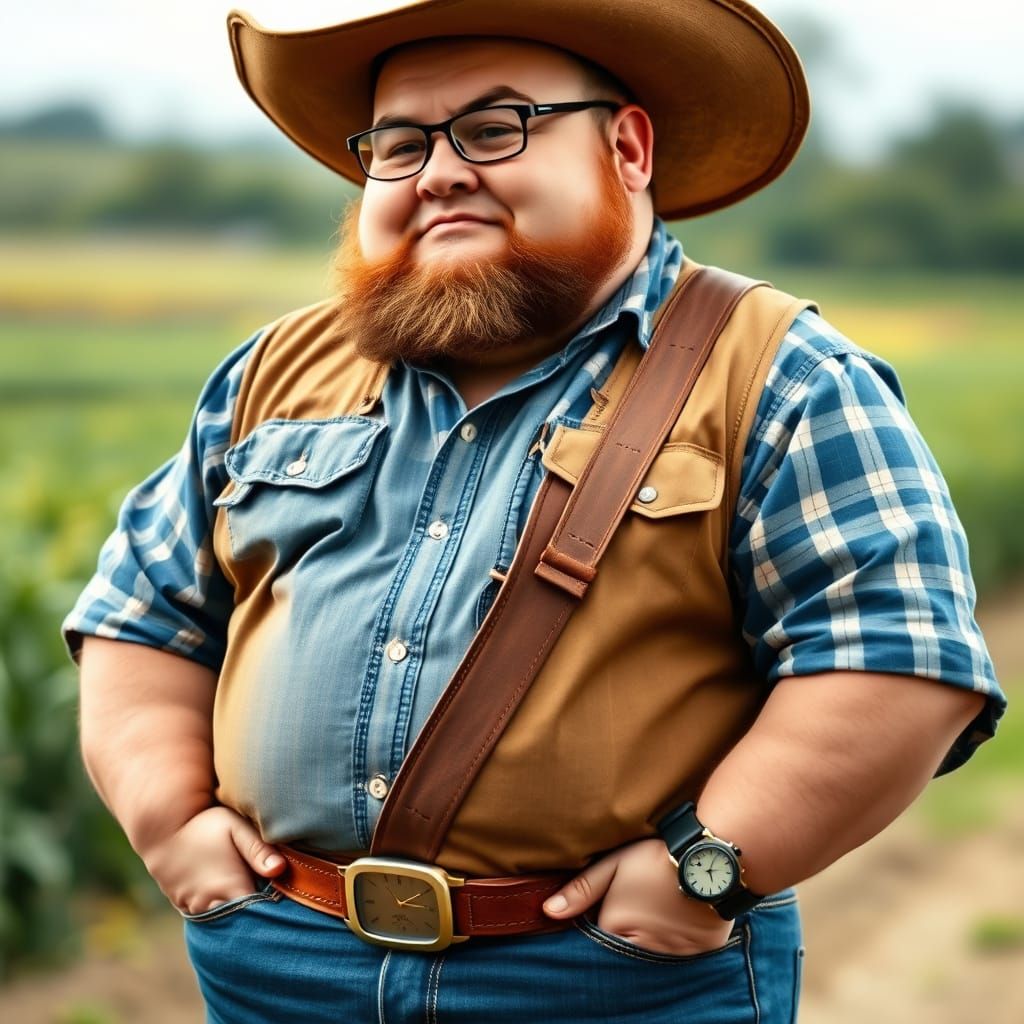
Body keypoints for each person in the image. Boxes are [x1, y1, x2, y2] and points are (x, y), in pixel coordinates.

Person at [64, 2, 1005, 1022]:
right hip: (280, 959)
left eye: (493, 127)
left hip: (606, 976)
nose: (438, 171)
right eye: (400, 141)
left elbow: (894, 661)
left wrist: (708, 867)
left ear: (627, 148)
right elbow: (143, 615)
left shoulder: (783, 378)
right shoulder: (274, 370)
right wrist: (167, 821)